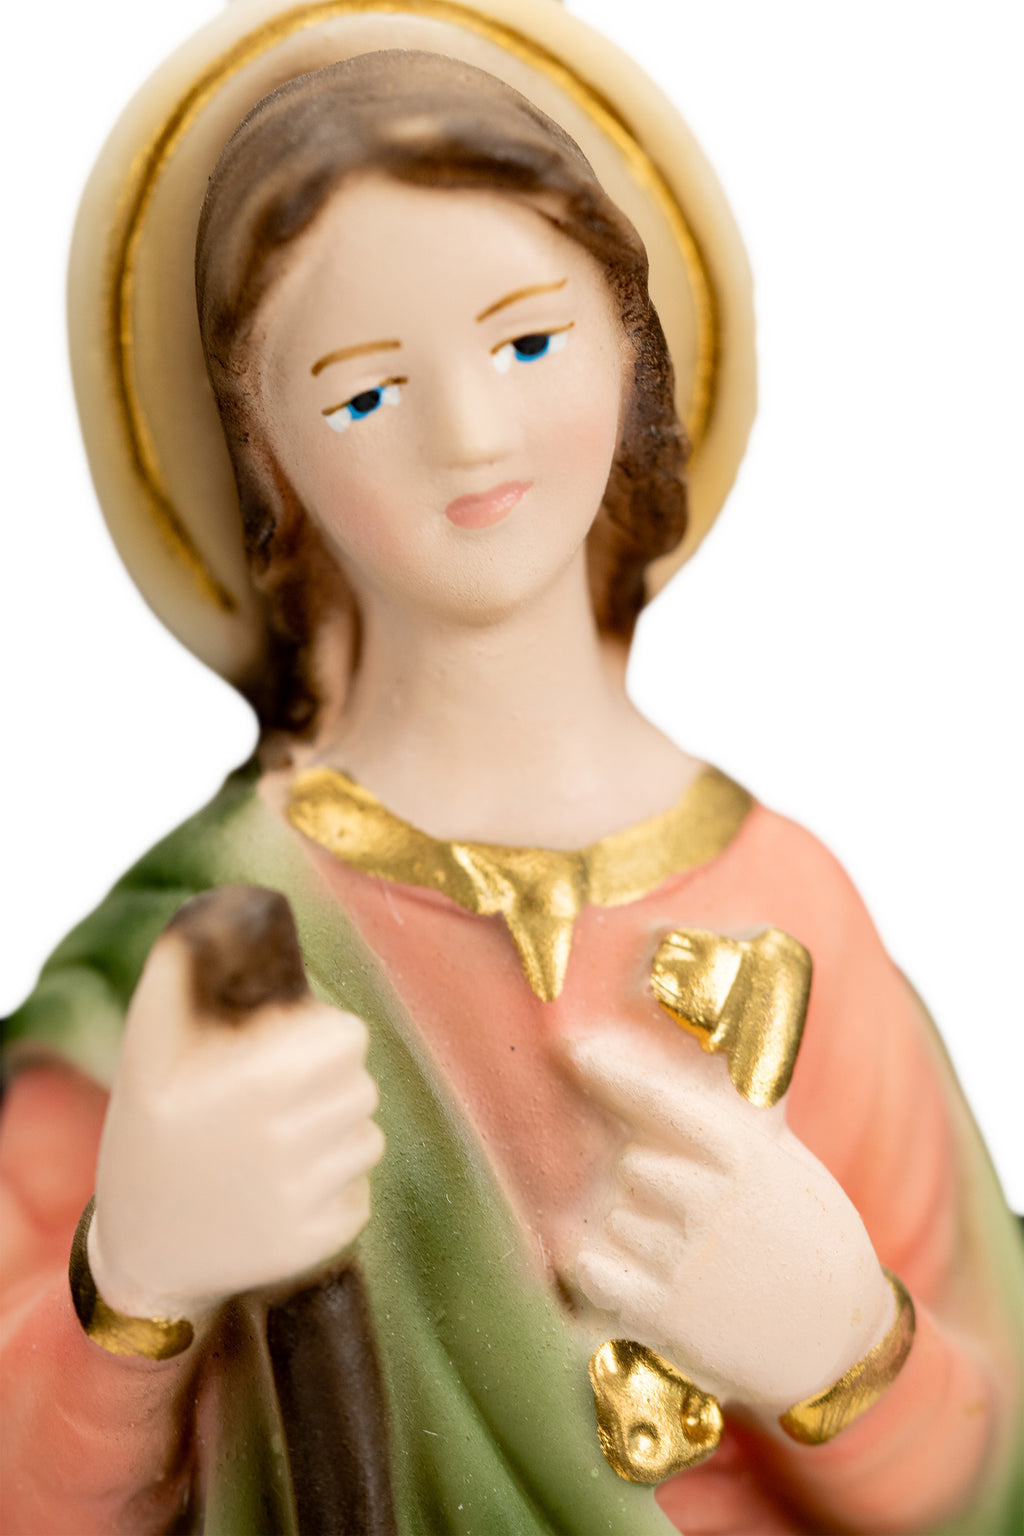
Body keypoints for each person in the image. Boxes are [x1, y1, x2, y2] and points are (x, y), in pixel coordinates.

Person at [2, 10, 1022, 1536]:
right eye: (364, 394)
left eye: (530, 343)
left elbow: (996, 1466)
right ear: (267, 458)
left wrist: (846, 1352)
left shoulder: (791, 902)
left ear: (632, 344)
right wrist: (134, 1283)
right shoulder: (200, 952)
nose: (472, 435)